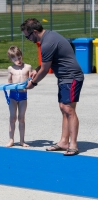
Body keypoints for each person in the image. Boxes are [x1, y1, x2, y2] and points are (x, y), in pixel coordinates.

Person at [20, 18, 84, 156]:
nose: (28, 39)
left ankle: (73, 145)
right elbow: (44, 65)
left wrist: (34, 83)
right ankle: (63, 141)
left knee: (69, 109)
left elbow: (45, 70)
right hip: (64, 77)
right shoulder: (49, 37)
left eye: (28, 36)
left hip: (71, 77)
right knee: (63, 108)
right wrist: (36, 70)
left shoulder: (47, 43)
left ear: (35, 32)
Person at [6, 46, 32, 147]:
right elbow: (8, 81)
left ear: (21, 56)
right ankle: (11, 139)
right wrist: (4, 86)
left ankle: (22, 141)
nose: (18, 61)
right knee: (12, 118)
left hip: (23, 95)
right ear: (11, 59)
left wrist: (30, 83)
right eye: (15, 59)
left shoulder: (28, 67)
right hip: (13, 95)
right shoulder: (11, 68)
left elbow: (31, 80)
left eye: (19, 58)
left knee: (21, 118)